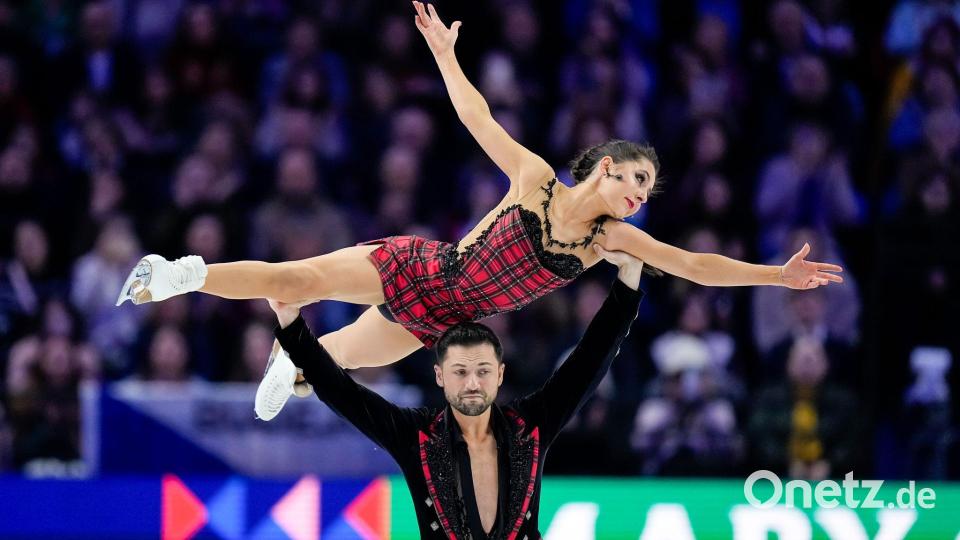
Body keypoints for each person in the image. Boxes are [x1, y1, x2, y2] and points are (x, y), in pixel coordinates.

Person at [115, 2, 843, 419]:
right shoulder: (534, 179)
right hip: (419, 266)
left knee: (329, 362)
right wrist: (444, 55)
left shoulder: (607, 240)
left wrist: (773, 278)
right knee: (294, 281)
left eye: (649, 190)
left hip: (443, 321)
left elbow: (691, 265)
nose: (640, 195)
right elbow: (476, 115)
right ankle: (186, 273)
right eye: (637, 179)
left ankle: (289, 363)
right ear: (611, 167)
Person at [267, 246, 646, 539]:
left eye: (482, 371)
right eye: (460, 372)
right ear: (440, 376)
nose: (471, 383)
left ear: (499, 374)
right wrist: (291, 323)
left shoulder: (530, 426)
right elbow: (345, 394)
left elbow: (588, 363)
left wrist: (628, 280)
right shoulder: (416, 436)